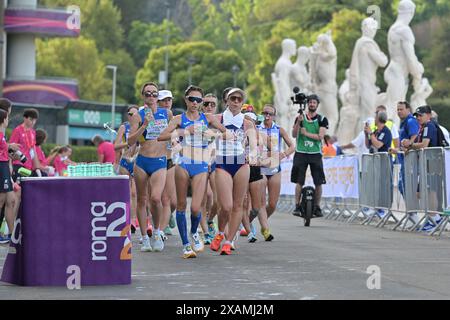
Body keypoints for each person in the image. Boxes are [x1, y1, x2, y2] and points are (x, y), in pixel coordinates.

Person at [158, 85, 229, 258]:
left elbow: (227, 134)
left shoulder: (208, 118)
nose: (195, 103)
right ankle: (185, 245)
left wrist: (213, 134)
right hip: (183, 162)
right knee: (181, 205)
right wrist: (184, 131)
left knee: (196, 207)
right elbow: (161, 136)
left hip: (201, 164)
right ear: (186, 100)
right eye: (192, 99)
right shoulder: (178, 119)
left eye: (199, 100)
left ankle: (194, 232)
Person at [209, 88, 257, 255]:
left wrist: (252, 155)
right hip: (223, 162)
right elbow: (204, 133)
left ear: (242, 103)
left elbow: (253, 145)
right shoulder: (217, 118)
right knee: (226, 206)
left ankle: (229, 241)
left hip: (241, 164)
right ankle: (220, 232)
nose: (236, 101)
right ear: (226, 101)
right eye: (233, 98)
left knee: (238, 205)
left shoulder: (247, 123)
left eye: (239, 99)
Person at [128, 82, 172, 253]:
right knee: (141, 200)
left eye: (155, 94)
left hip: (160, 160)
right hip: (142, 161)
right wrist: (144, 125)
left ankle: (158, 232)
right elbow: (131, 140)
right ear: (143, 97)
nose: (152, 97)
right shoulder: (137, 116)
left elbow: (171, 134)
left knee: (155, 198)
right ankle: (144, 238)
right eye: (148, 94)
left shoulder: (166, 113)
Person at [258, 104, 294, 241]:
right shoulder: (256, 129)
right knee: (261, 202)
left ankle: (261, 221)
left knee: (272, 204)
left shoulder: (279, 130)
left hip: (274, 169)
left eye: (270, 114)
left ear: (274, 116)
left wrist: (283, 154)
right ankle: (266, 229)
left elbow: (292, 146)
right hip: (261, 169)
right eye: (264, 113)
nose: (267, 116)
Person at [402, 105, 441, 231]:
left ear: (429, 115)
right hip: (427, 163)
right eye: (417, 115)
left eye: (421, 115)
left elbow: (424, 144)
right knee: (422, 192)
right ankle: (432, 218)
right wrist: (410, 147)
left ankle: (435, 219)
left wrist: (411, 144)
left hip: (433, 163)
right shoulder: (423, 127)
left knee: (431, 191)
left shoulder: (429, 126)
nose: (418, 117)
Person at [291, 94, 328, 217]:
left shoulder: (322, 119)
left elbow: (320, 137)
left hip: (315, 153)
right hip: (301, 152)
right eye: (310, 102)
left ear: (317, 104)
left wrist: (306, 133)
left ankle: (317, 207)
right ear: (307, 104)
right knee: (298, 181)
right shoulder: (300, 117)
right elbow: (294, 135)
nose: (312, 104)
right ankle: (296, 205)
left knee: (319, 182)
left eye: (314, 102)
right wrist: (298, 123)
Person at [114, 105, 139, 233]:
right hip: (125, 160)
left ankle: (135, 219)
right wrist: (127, 143)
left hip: (138, 161)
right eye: (130, 114)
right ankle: (128, 219)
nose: (132, 116)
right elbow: (115, 146)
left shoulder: (143, 127)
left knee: (136, 193)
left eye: (134, 114)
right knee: (127, 193)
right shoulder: (124, 127)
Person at [157, 90, 178, 239]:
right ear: (158, 102)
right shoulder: (151, 115)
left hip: (170, 160)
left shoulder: (171, 115)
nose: (166, 103)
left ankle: (169, 215)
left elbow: (175, 135)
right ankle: (160, 230)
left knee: (173, 201)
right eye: (164, 100)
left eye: (169, 100)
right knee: (158, 198)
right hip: (155, 160)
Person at [201, 93, 220, 244]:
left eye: (212, 104)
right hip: (198, 162)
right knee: (203, 198)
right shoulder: (197, 119)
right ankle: (206, 233)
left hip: (214, 162)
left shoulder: (220, 121)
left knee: (217, 200)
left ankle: (209, 219)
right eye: (206, 103)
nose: (209, 107)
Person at [9, 108, 39, 181]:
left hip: (28, 166)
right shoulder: (17, 130)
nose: (33, 122)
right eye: (31, 119)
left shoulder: (33, 132)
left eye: (35, 120)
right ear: (25, 118)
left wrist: (37, 167)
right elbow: (10, 149)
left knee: (34, 181)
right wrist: (10, 165)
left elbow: (33, 151)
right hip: (18, 165)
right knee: (21, 186)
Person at [0, 109, 14, 243]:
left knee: (9, 200)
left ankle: (13, 234)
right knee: (2, 199)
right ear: (3, 119)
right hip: (1, 166)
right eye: (7, 118)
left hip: (4, 166)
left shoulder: (2, 134)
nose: (8, 120)